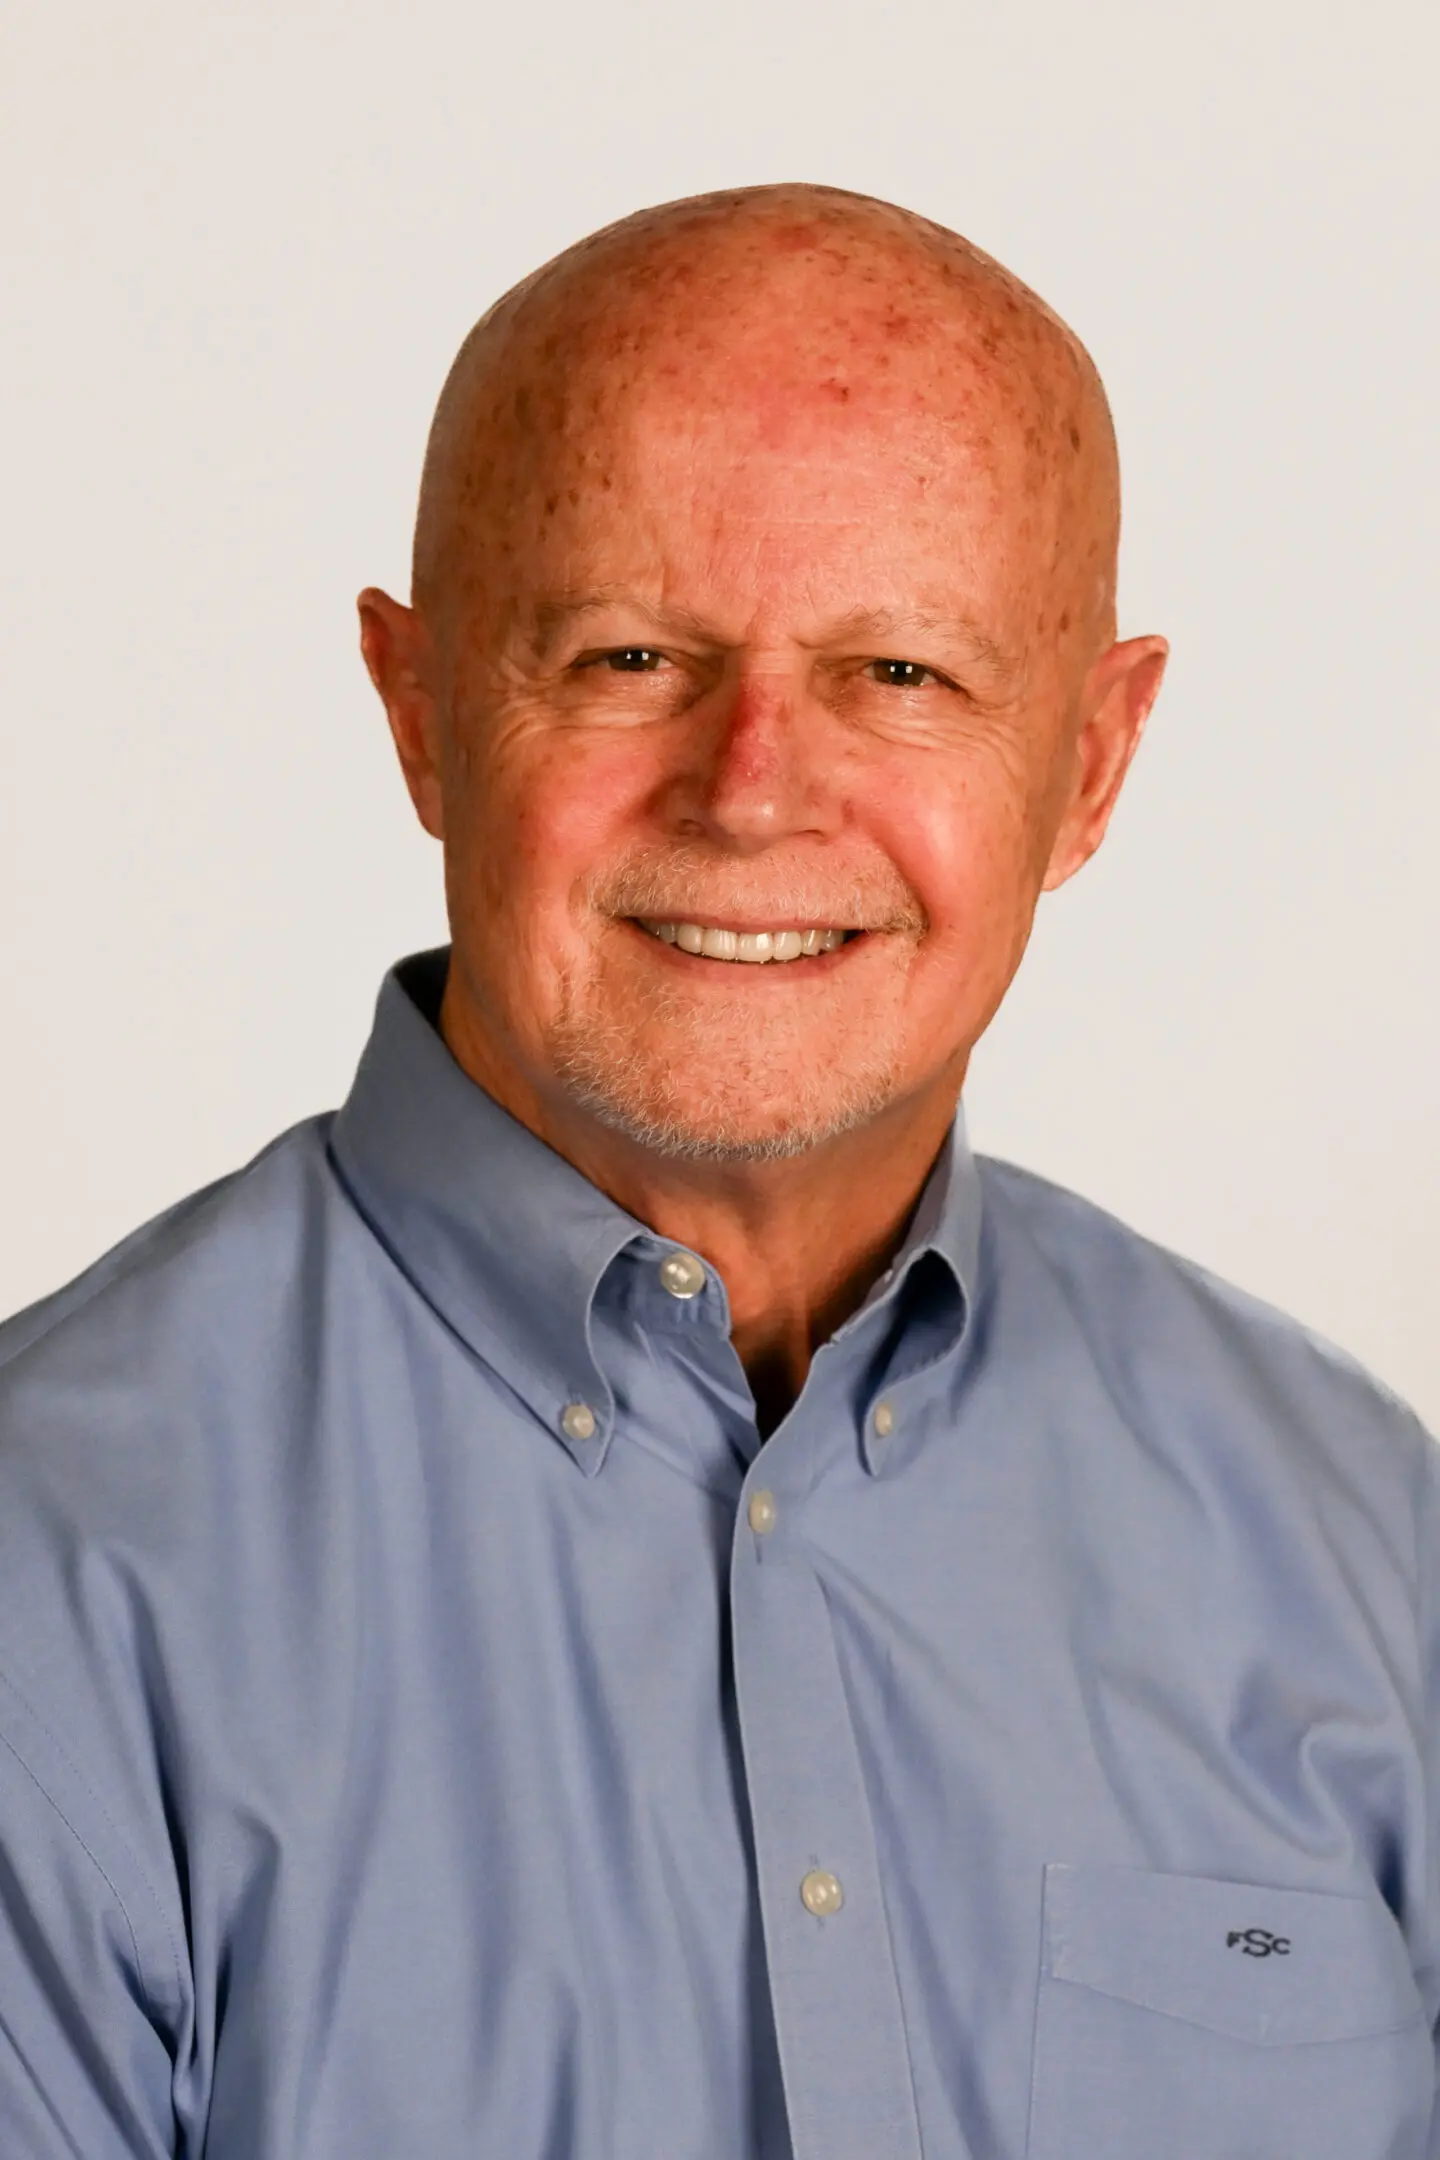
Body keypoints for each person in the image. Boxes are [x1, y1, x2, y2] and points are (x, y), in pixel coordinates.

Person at [0, 183, 1434, 2160]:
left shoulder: (1366, 1539)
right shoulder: (49, 1569)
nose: (753, 791)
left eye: (902, 673)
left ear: (1094, 763)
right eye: (627, 655)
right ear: (420, 713)